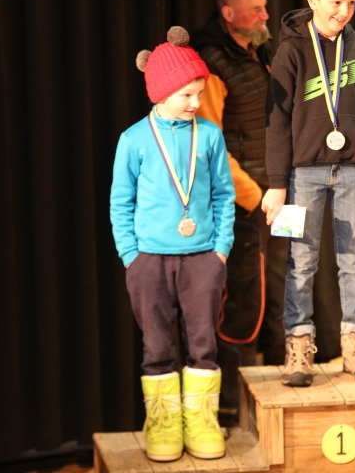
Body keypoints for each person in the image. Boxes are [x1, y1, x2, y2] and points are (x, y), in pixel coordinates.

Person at [262, 0, 355, 387]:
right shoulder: (290, 51)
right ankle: (298, 346)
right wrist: (277, 184)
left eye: (351, 2)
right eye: (336, 2)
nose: (344, 11)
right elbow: (276, 123)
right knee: (300, 261)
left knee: (354, 259)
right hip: (302, 175)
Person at [110, 27, 235, 462]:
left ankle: (201, 421)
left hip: (202, 259)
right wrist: (131, 256)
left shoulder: (210, 135)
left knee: (203, 343)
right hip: (148, 261)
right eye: (186, 95)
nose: (195, 102)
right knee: (157, 346)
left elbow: (224, 195)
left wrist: (220, 251)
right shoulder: (134, 140)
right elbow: (120, 202)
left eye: (199, 93)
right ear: (162, 93)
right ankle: (163, 424)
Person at [190, 0, 290, 425]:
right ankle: (232, 410)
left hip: (280, 197)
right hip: (244, 208)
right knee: (244, 305)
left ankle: (278, 399)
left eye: (265, 6)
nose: (266, 15)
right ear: (229, 14)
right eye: (256, 10)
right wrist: (255, 197)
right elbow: (209, 145)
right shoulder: (211, 66)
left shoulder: (258, 53)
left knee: (283, 292)